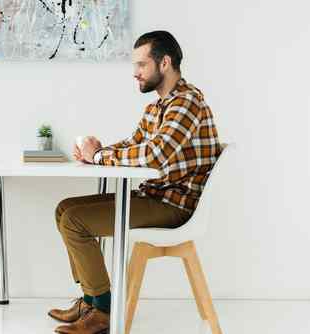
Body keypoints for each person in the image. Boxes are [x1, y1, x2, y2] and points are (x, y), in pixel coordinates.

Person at [48, 30, 223, 334]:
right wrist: (99, 151)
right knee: (64, 209)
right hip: (155, 196)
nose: (135, 73)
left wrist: (100, 156)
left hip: (174, 205)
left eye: (141, 65)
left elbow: (154, 156)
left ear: (164, 62)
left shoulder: (186, 102)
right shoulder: (157, 108)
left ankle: (102, 310)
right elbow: (134, 143)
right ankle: (91, 299)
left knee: (75, 221)